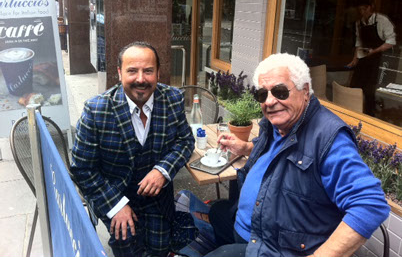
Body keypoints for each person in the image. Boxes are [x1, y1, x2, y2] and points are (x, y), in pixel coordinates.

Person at [206, 53, 390, 257]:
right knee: (217, 212)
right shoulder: (276, 124)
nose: (269, 101)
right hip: (252, 227)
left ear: (305, 92)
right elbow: (275, 152)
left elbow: (370, 203)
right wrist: (245, 147)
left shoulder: (327, 137)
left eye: (280, 91)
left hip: (278, 247)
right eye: (262, 94)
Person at [71, 41, 196, 257]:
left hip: (157, 198)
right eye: (132, 71)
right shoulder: (96, 110)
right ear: (119, 73)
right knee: (128, 248)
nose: (141, 79)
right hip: (114, 195)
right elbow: (82, 169)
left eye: (148, 71)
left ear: (158, 72)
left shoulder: (172, 98)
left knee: (160, 248)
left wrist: (162, 171)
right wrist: (115, 205)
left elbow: (185, 141)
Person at [347, 0, 396, 116]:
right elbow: (358, 42)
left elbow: (391, 41)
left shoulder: (382, 20)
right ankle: (353, 115)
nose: (363, 12)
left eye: (365, 9)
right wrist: (355, 59)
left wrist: (374, 51)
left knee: (370, 91)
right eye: (360, 10)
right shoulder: (359, 23)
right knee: (354, 87)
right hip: (364, 58)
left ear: (371, 7)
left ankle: (370, 116)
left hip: (378, 60)